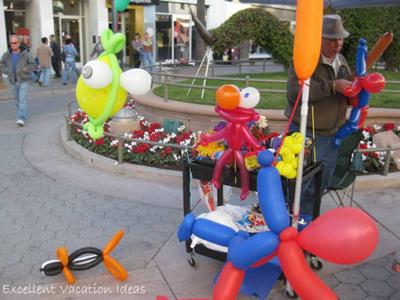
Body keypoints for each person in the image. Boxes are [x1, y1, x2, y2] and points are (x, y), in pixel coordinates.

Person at [284, 14, 353, 216]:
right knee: (297, 186)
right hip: (308, 134)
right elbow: (295, 92)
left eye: (340, 38)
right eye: (332, 39)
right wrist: (333, 86)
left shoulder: (341, 60)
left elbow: (345, 94)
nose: (338, 43)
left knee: (319, 186)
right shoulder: (305, 59)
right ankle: (289, 227)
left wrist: (354, 89)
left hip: (332, 135)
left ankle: (308, 225)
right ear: (318, 39)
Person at [0, 35, 35, 126]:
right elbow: (1, 64)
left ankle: (21, 118)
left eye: (15, 43)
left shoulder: (26, 54)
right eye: (11, 43)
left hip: (23, 80)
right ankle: (24, 113)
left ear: (19, 43)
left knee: (22, 100)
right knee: (17, 100)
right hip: (12, 81)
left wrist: (25, 69)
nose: (13, 45)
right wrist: (6, 71)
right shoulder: (6, 54)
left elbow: (33, 65)